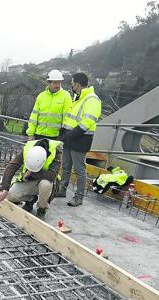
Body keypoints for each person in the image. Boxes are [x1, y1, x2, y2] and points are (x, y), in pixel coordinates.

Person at [59, 72, 102, 207]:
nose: (71, 86)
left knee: (79, 170)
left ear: (77, 83)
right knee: (66, 166)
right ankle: (62, 190)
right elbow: (70, 119)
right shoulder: (78, 98)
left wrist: (70, 135)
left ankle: (79, 197)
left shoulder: (92, 99)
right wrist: (64, 134)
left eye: (72, 83)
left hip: (80, 139)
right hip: (70, 138)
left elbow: (87, 122)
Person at [0, 138, 63, 219]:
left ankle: (42, 208)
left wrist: (31, 172)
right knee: (11, 195)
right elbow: (12, 166)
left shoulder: (56, 150)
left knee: (45, 184)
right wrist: (5, 189)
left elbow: (51, 175)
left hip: (47, 182)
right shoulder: (28, 147)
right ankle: (31, 199)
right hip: (30, 180)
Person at [26, 69, 72, 140]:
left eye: (59, 83)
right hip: (39, 135)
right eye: (55, 83)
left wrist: (63, 137)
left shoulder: (66, 96)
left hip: (56, 137)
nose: (57, 85)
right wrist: (31, 134)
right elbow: (34, 117)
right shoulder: (41, 96)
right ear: (48, 83)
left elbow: (67, 118)